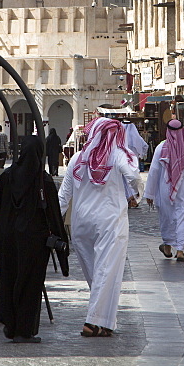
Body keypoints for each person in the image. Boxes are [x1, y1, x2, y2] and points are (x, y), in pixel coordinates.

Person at [58, 117, 141, 338]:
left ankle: (105, 322)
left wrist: (53, 224)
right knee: (107, 271)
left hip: (80, 223)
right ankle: (92, 322)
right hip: (109, 221)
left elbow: (63, 197)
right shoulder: (118, 155)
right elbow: (133, 174)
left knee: (97, 273)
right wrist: (135, 194)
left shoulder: (77, 158)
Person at [0, 136, 68, 343]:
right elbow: (53, 215)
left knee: (9, 279)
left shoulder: (5, 178)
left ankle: (10, 323)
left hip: (8, 240)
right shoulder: (44, 181)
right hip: (35, 242)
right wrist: (62, 245)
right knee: (31, 284)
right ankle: (24, 330)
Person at [144, 119, 184, 262]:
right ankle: (179, 250)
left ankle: (169, 247)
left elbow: (154, 171)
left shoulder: (161, 148)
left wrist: (149, 193)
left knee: (168, 218)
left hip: (166, 189)